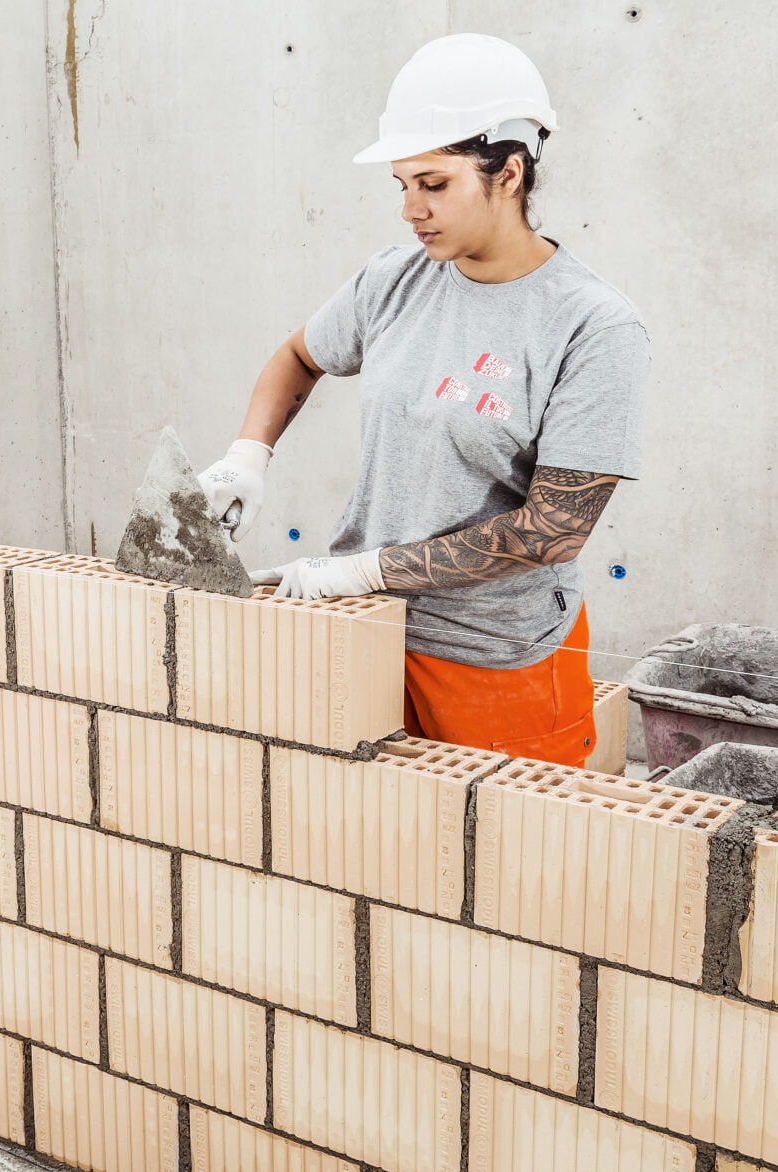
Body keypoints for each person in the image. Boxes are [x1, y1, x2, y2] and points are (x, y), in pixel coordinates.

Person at [200, 33, 648, 766]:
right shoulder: (393, 280)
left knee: (505, 868)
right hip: (366, 635)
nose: (411, 209)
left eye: (433, 184)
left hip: (494, 661)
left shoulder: (593, 326)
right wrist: (246, 456)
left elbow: (551, 533)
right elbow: (296, 358)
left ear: (508, 173)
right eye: (402, 185)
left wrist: (363, 568)